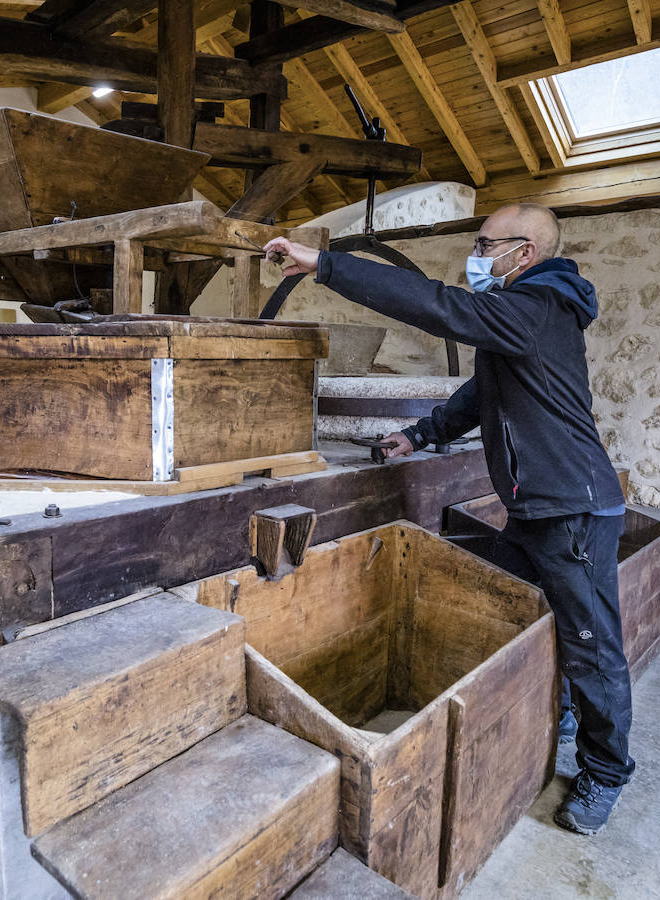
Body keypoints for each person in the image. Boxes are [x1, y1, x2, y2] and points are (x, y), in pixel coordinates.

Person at [264, 203, 634, 835]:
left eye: (487, 244)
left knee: (592, 645)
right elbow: (480, 394)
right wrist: (420, 435)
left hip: (571, 508)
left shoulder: (537, 306)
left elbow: (441, 307)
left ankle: (604, 772)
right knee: (523, 613)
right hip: (538, 503)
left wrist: (326, 265)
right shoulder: (522, 313)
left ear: (526, 252)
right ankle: (566, 709)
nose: (477, 253)